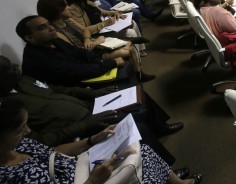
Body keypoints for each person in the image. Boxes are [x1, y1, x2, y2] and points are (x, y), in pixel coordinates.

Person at [0, 56, 184, 164]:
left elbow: (60, 90)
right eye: (9, 70)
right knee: (135, 127)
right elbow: (41, 140)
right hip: (81, 127)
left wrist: (93, 94)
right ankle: (167, 171)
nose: (16, 68)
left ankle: (160, 127)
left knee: (136, 94)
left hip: (87, 106)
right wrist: (85, 124)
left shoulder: (23, 81)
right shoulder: (9, 110)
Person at [0, 97, 201, 184]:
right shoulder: (7, 176)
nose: (28, 130)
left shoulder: (20, 143)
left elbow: (54, 152)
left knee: (140, 148)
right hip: (86, 179)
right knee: (139, 167)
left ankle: (177, 182)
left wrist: (91, 140)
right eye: (20, 129)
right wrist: (94, 180)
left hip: (79, 167)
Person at [35, 0, 154, 83]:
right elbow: (77, 52)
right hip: (88, 55)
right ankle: (136, 74)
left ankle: (138, 73)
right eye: (65, 7)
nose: (69, 8)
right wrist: (96, 42)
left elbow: (85, 30)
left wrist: (87, 39)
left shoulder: (67, 20)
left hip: (92, 45)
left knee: (129, 45)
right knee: (127, 50)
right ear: (57, 12)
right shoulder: (56, 33)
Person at [17, 15, 126, 87]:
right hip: (72, 88)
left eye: (49, 24)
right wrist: (111, 63)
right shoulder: (37, 58)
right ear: (30, 38)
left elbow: (77, 52)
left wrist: (100, 60)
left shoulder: (54, 40)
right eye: (42, 28)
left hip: (81, 73)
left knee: (124, 60)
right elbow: (76, 71)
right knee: (124, 70)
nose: (51, 28)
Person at [59, 0, 148, 57]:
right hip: (96, 33)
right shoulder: (73, 9)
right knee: (130, 32)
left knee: (132, 22)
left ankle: (140, 50)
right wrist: (105, 23)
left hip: (103, 27)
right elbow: (84, 30)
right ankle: (136, 59)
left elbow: (101, 11)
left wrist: (114, 13)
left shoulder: (85, 1)